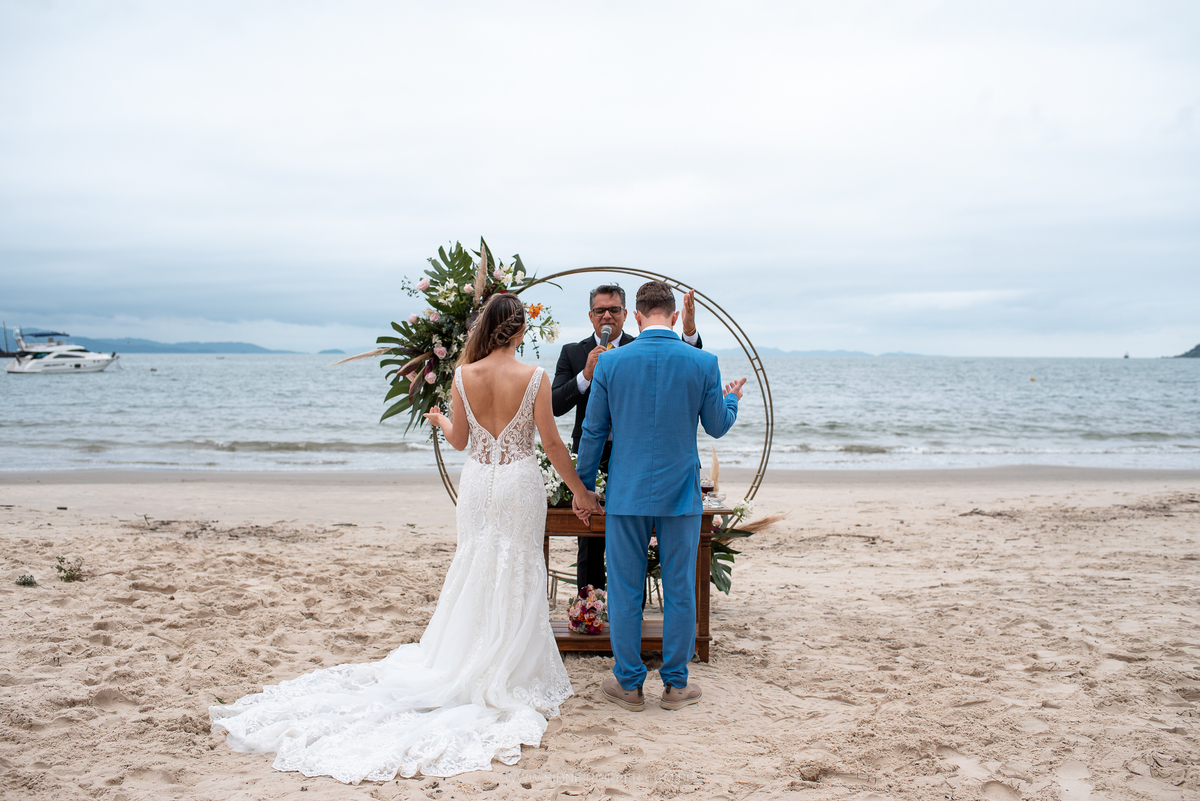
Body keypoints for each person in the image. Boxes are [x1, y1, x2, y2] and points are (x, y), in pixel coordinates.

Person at [210, 293, 602, 783]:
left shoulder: (463, 375)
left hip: (478, 484)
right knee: (517, 563)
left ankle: (463, 656)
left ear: (487, 327)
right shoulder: (535, 377)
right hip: (518, 484)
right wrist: (580, 492)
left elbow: (460, 441)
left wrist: (439, 421)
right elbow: (552, 442)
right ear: (521, 330)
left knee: (477, 561)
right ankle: (509, 664)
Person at [573, 281, 744, 712]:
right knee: (681, 589)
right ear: (674, 316)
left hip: (627, 493)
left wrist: (584, 488)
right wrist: (732, 401)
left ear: (636, 316)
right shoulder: (703, 362)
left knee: (625, 590)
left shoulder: (610, 363)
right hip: (680, 494)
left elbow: (593, 431)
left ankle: (629, 684)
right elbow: (717, 426)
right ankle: (675, 685)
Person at [552, 283, 702, 595]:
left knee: (639, 542)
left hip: (635, 459)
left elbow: (689, 361)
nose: (607, 316)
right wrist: (586, 375)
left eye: (614, 310)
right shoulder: (573, 352)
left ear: (626, 314)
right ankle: (590, 610)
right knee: (589, 543)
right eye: (600, 310)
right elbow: (555, 405)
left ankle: (631, 607)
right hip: (590, 456)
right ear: (591, 316)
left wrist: (689, 332)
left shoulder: (642, 345)